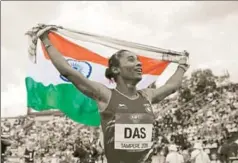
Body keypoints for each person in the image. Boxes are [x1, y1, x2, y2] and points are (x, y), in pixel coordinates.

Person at [31, 24, 189, 163]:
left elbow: (172, 86)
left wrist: (182, 65)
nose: (139, 63)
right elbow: (69, 72)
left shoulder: (147, 95)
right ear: (115, 69)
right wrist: (46, 40)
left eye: (139, 60)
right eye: (131, 60)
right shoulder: (105, 95)